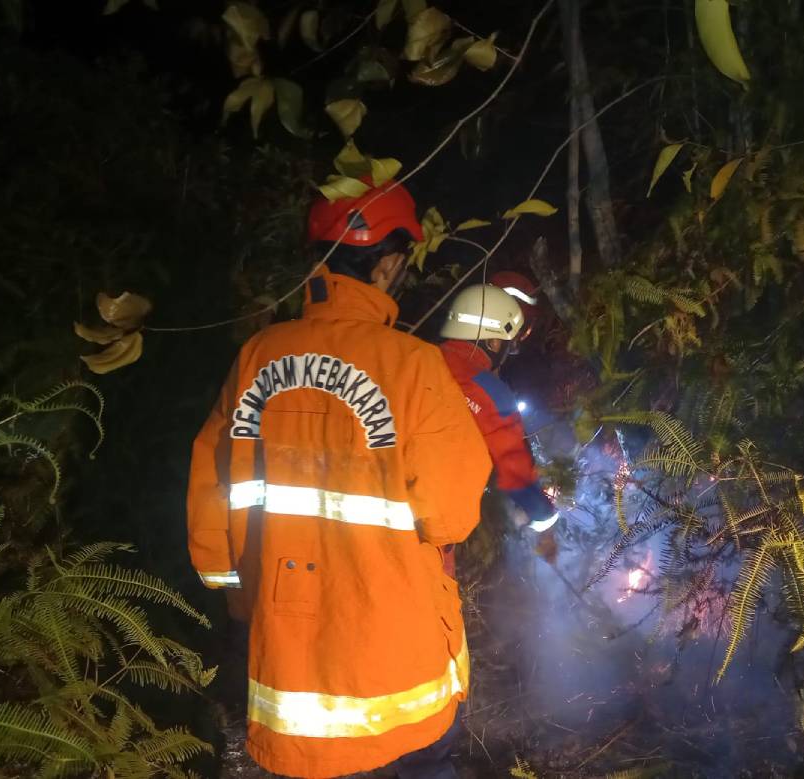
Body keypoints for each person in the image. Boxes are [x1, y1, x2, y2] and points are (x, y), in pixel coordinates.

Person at [186, 179, 491, 779]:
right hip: (395, 665)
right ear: (388, 264)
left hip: (287, 663)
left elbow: (209, 503)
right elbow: (452, 514)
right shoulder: (413, 365)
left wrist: (239, 599)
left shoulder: (256, 355)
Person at [437, 284, 560, 564]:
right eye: (506, 346)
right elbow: (514, 470)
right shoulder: (489, 390)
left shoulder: (417, 358)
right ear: (493, 343)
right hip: (434, 527)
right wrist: (545, 522)